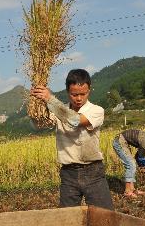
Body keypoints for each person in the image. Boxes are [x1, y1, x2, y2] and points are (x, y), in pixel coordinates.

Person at [30, 69, 113, 210]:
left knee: (105, 215)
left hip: (93, 172)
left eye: (83, 94)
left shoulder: (96, 111)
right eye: (74, 94)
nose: (79, 98)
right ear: (68, 92)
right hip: (69, 174)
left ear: (89, 91)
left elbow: (74, 120)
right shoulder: (57, 111)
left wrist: (50, 99)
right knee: (67, 219)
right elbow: (40, 124)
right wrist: (35, 104)